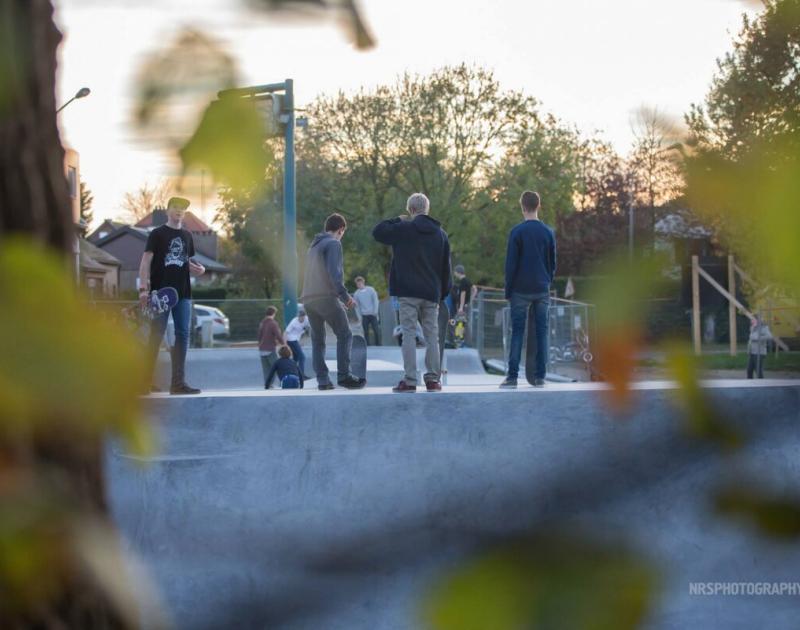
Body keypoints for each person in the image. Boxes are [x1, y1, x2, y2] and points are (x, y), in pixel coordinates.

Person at [373, 193, 451, 393]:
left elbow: (378, 232)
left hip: (408, 291)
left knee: (408, 333)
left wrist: (397, 219)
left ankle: (410, 380)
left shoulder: (403, 228)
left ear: (411, 210)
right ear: (427, 209)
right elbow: (446, 268)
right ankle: (433, 379)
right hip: (431, 292)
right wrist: (442, 293)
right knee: (432, 336)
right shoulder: (440, 234)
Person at [138, 196, 205, 395]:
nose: (179, 212)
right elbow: (145, 261)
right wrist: (143, 288)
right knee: (156, 336)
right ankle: (144, 382)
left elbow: (187, 262)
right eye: (175, 208)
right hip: (161, 293)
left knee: (183, 335)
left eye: (182, 209)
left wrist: (199, 270)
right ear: (168, 210)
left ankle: (177, 383)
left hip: (183, 293)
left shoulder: (187, 235)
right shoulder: (157, 234)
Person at [300, 213, 365, 390]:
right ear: (341, 230)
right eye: (343, 233)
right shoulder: (334, 243)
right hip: (325, 296)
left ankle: (323, 380)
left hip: (309, 298)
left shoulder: (314, 247)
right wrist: (345, 297)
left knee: (318, 340)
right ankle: (344, 375)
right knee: (345, 334)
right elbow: (334, 274)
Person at [501, 190, 556, 389]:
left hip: (520, 290)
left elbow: (511, 265)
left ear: (522, 207)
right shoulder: (548, 232)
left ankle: (512, 377)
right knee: (542, 333)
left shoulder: (517, 232)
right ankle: (540, 376)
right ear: (538, 206)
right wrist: (547, 282)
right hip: (541, 288)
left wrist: (508, 291)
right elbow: (552, 263)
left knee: (517, 332)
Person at [258, 306, 285, 388]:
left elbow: (259, 336)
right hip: (270, 349)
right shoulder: (273, 323)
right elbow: (278, 335)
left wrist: (260, 344)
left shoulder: (262, 323)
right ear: (273, 313)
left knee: (266, 369)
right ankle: (283, 382)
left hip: (262, 349)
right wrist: (283, 344)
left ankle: (268, 384)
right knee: (276, 367)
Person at [284, 309, 312, 379]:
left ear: (304, 316)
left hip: (296, 340)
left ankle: (291, 373)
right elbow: (285, 333)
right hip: (291, 340)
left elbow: (310, 327)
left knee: (295, 358)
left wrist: (307, 331)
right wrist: (285, 345)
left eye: (302, 317)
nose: (301, 318)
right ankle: (301, 375)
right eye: (300, 317)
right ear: (298, 316)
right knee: (302, 357)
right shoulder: (294, 322)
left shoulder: (307, 319)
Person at [354, 276, 381, 345]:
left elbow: (375, 301)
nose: (359, 285)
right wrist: (359, 317)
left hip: (373, 314)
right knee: (366, 332)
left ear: (363, 282)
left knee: (376, 331)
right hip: (364, 315)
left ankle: (378, 345)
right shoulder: (356, 294)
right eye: (357, 284)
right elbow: (357, 307)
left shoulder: (371, 290)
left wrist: (375, 311)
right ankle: (368, 346)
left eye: (360, 283)